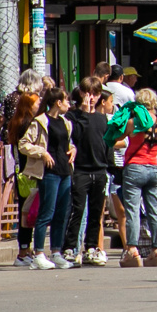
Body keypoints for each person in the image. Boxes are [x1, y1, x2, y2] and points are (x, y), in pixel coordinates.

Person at [108, 87, 157, 269]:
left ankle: (132, 250)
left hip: (134, 168)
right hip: (153, 169)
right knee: (154, 210)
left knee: (133, 211)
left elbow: (116, 138)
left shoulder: (133, 123)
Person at [64, 77, 112, 266]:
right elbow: (76, 136)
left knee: (96, 212)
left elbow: (106, 143)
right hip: (80, 170)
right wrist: (84, 112)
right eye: (87, 93)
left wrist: (108, 165)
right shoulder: (73, 117)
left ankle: (91, 248)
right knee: (77, 210)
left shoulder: (102, 119)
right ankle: (70, 248)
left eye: (95, 94)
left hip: (99, 169)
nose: (90, 98)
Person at [33, 88, 76, 268]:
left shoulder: (66, 122)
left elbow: (69, 142)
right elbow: (24, 143)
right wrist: (42, 152)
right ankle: (38, 254)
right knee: (46, 212)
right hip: (49, 172)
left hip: (64, 171)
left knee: (61, 213)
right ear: (58, 102)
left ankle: (56, 251)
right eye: (66, 100)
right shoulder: (40, 121)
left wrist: (73, 149)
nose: (68, 104)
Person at [6, 89, 45, 268]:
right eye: (37, 103)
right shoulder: (28, 124)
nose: (40, 105)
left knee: (26, 211)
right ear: (29, 106)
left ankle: (25, 250)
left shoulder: (16, 122)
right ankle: (23, 252)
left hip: (20, 172)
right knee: (28, 213)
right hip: (29, 172)